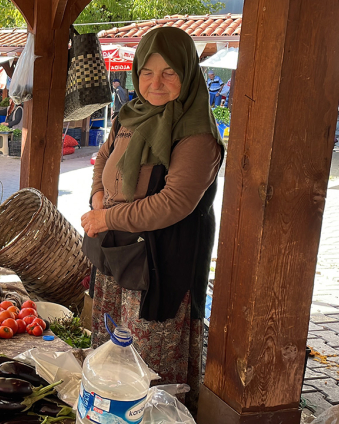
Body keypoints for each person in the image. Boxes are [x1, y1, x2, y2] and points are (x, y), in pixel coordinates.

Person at [80, 27, 224, 414]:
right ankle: (109, 414)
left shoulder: (196, 135)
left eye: (169, 72)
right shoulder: (130, 116)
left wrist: (106, 216)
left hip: (161, 262)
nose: (155, 82)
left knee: (150, 362)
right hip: (121, 254)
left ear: (188, 73)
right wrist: (98, 199)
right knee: (115, 353)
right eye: (147, 72)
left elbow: (173, 203)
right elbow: (102, 161)